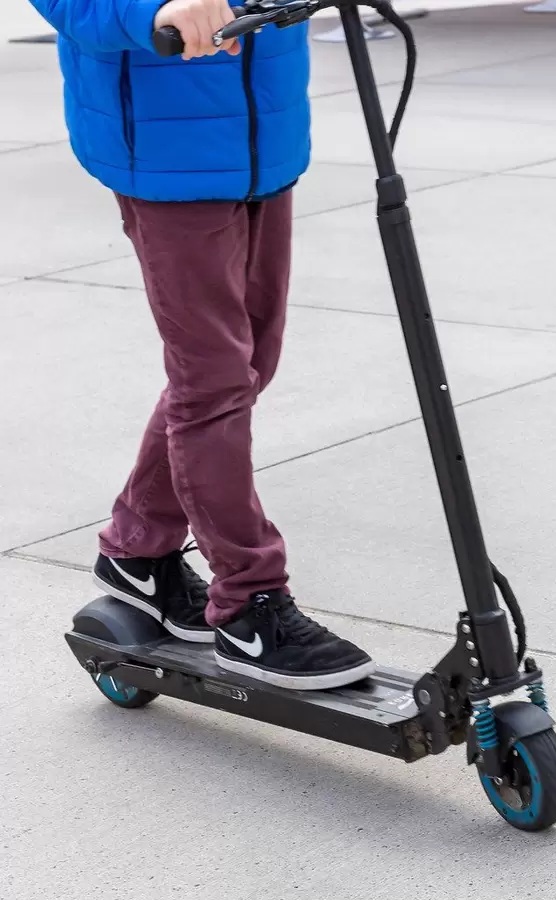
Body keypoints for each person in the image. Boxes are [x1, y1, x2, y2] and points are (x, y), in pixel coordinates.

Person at [31, 0, 375, 690]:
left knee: (244, 366)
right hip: (168, 151)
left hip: (265, 138)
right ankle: (249, 602)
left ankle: (137, 551)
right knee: (214, 380)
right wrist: (154, 9)